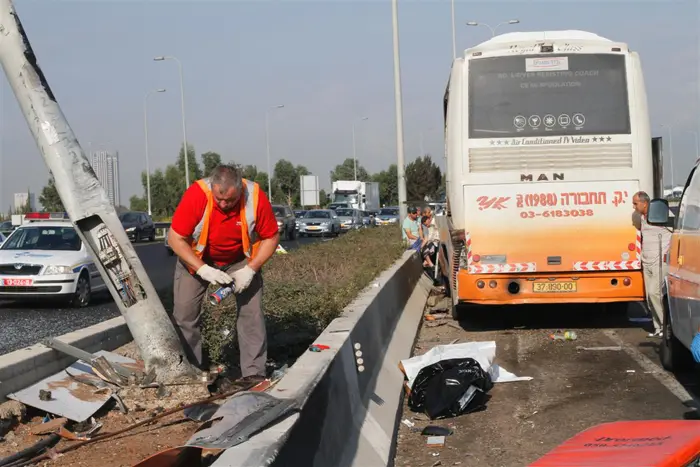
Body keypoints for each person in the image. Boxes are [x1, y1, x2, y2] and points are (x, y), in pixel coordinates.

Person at [168, 164, 280, 385]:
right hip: (197, 259)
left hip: (240, 260)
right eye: (219, 198)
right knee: (185, 316)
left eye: (230, 200)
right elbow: (175, 239)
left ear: (240, 190)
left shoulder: (255, 196)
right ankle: (193, 372)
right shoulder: (197, 195)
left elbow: (271, 237)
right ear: (213, 187)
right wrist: (202, 269)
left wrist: (251, 269)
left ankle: (253, 373)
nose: (223, 204)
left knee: (252, 315)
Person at [632, 191, 672, 338]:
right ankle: (657, 327)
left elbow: (676, 231)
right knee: (649, 296)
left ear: (645, 203)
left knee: (655, 294)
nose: (634, 206)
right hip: (646, 261)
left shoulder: (663, 215)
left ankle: (665, 325)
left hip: (659, 262)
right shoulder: (638, 217)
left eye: (636, 203)